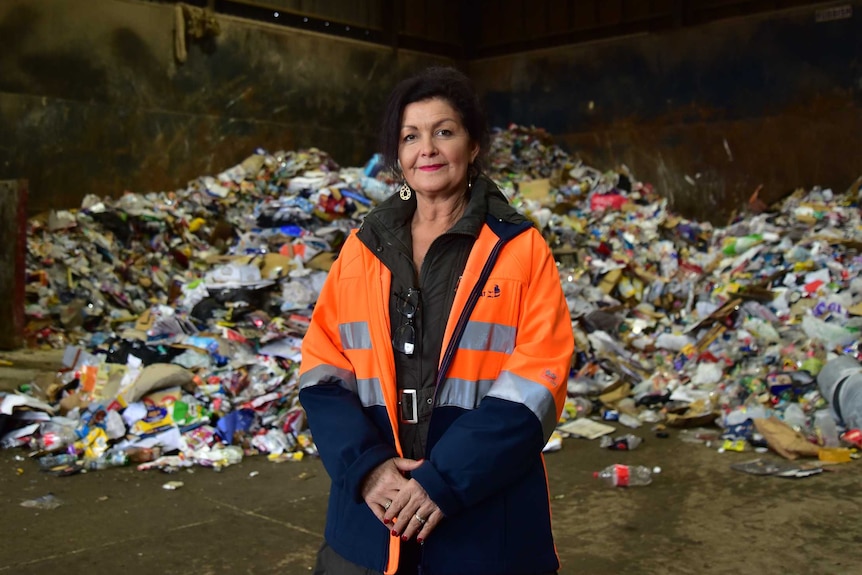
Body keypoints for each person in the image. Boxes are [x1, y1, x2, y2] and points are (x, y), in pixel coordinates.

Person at [299, 66, 574, 575]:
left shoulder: (519, 249)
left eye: (443, 131)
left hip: (487, 525)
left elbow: (538, 382)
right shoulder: (362, 249)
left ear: (472, 147)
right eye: (410, 137)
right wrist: (367, 469)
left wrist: (443, 481)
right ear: (398, 157)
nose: (426, 148)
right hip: (369, 526)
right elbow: (322, 368)